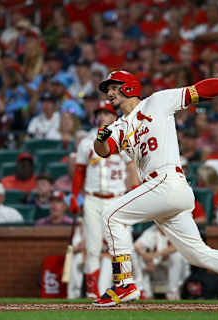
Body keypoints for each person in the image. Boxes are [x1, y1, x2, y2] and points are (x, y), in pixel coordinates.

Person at [92, 70, 218, 306]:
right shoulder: (119, 126)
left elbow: (201, 89)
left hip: (166, 181)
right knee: (197, 253)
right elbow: (105, 150)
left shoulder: (157, 102)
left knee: (110, 214)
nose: (108, 93)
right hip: (163, 191)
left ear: (128, 87)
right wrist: (100, 139)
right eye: (107, 89)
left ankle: (124, 284)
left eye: (112, 87)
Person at [71, 100, 140, 299]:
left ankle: (126, 287)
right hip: (93, 199)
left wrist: (134, 190)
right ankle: (93, 292)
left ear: (114, 116)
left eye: (107, 114)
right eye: (100, 114)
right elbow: (79, 171)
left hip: (116, 199)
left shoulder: (123, 136)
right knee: (92, 247)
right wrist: (75, 196)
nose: (103, 117)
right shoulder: (87, 141)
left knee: (121, 245)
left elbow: (131, 166)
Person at [134, 225, 190, 300]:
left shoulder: (176, 229)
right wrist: (146, 256)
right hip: (155, 267)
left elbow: (178, 246)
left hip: (173, 269)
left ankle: (172, 293)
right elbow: (136, 246)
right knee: (138, 257)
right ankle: (145, 293)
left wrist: (157, 255)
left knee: (177, 256)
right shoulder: (152, 230)